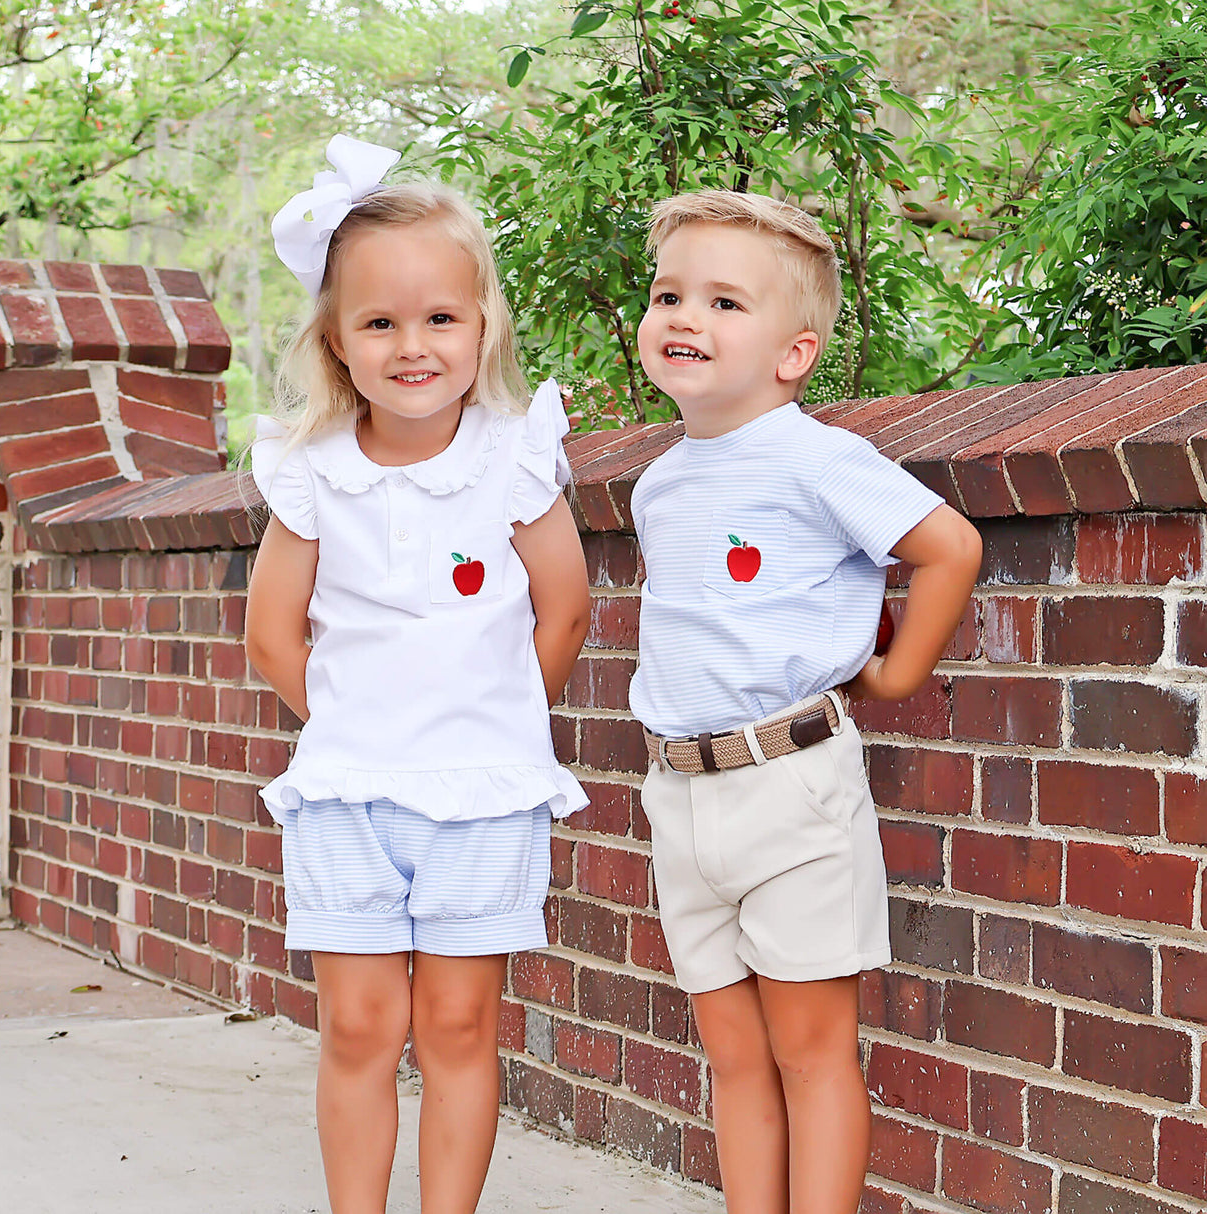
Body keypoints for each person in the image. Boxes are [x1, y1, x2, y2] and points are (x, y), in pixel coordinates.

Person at [243, 134, 590, 1214]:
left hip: (480, 796)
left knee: (454, 1025)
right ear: (336, 340)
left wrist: (482, 720)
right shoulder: (311, 473)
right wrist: (363, 723)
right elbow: (272, 635)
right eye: (379, 322)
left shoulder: (512, 454)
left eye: (439, 317)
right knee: (358, 1026)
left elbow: (564, 606)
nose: (411, 345)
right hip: (349, 794)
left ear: (480, 326)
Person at [629, 190, 982, 1214]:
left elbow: (945, 544)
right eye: (669, 294)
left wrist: (896, 672)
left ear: (792, 352)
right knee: (732, 1056)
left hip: (790, 788)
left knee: (811, 1049)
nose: (685, 317)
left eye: (724, 302)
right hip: (679, 791)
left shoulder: (816, 457)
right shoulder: (657, 484)